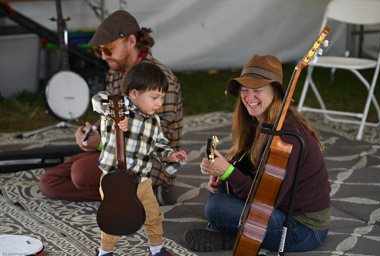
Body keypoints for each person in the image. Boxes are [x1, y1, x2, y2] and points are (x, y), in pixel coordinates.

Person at [183, 54, 331, 253]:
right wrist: (220, 174)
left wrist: (229, 173)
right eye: (244, 90)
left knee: (215, 209)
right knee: (218, 192)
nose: (249, 97)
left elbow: (265, 200)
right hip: (278, 208)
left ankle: (230, 239)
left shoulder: (286, 136)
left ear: (275, 92)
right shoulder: (261, 121)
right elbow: (256, 171)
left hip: (301, 230)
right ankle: (236, 235)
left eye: (257, 90)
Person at [40, 10, 183, 203]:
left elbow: (154, 139)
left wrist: (101, 143)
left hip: (148, 161)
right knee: (50, 183)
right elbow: (112, 112)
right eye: (99, 51)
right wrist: (92, 132)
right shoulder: (116, 71)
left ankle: (147, 189)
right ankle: (135, 195)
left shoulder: (161, 79)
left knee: (80, 173)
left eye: (107, 49)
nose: (103, 57)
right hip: (115, 150)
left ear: (131, 41)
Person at [92, 62, 187, 256]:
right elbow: (97, 98)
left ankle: (157, 249)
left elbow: (159, 145)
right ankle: (104, 252)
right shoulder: (119, 108)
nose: (159, 103)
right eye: (154, 97)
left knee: (152, 215)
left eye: (161, 97)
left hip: (142, 181)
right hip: (114, 180)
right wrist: (117, 113)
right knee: (114, 216)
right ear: (134, 94)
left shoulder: (153, 121)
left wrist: (170, 155)